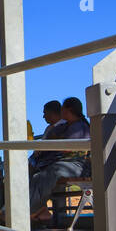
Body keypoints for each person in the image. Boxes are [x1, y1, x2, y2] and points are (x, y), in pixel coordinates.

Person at [29, 96, 90, 224]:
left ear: (68, 110)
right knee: (37, 176)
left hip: (77, 165)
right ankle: (37, 208)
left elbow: (68, 148)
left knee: (51, 172)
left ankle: (33, 209)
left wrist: (57, 144)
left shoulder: (79, 126)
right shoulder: (65, 126)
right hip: (63, 163)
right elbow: (52, 136)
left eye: (62, 109)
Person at [29, 100, 65, 173]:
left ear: (52, 113)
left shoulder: (63, 126)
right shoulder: (49, 128)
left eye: (45, 113)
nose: (43, 116)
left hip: (52, 159)